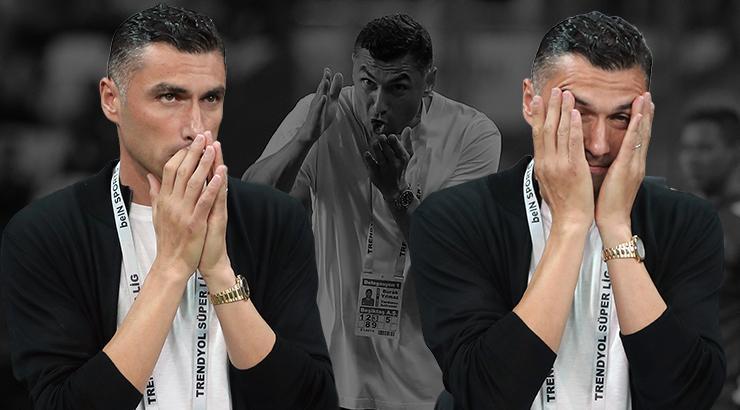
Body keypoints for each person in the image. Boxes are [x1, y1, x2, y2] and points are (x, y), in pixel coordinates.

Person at [0, 4, 337, 409]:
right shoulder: (45, 233)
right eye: (169, 96)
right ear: (111, 100)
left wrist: (220, 273)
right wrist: (172, 268)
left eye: (210, 98)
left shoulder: (275, 220)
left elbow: (310, 400)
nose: (196, 126)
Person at [410, 11, 725, 409]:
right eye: (579, 112)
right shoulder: (452, 219)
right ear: (530, 102)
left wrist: (615, 227)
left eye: (621, 118)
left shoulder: (688, 223)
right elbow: (486, 393)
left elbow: (687, 396)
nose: (599, 144)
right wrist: (571, 225)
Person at [243, 14, 501, 410]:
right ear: (353, 71)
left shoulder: (473, 136)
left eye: (398, 88)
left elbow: (452, 259)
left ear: (429, 81)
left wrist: (396, 192)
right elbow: (252, 210)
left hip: (425, 382)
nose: (378, 104)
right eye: (368, 83)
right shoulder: (322, 113)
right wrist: (303, 140)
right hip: (334, 376)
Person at [679, 106, 740, 410]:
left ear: (734, 151)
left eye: (704, 148)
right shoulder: (681, 217)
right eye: (687, 148)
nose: (692, 158)